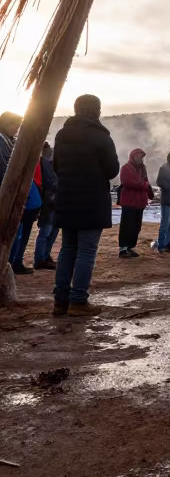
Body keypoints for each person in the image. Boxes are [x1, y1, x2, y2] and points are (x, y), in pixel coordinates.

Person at [52, 94, 119, 317]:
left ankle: (60, 301)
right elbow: (112, 170)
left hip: (67, 198)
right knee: (86, 251)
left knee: (67, 249)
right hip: (92, 201)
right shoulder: (100, 136)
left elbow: (56, 165)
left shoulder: (62, 134)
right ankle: (78, 301)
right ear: (96, 110)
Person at [118, 148, 153, 258]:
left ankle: (130, 246)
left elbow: (146, 181)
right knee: (127, 225)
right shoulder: (126, 168)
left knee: (136, 226)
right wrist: (144, 186)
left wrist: (150, 192)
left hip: (140, 202)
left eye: (142, 157)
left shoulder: (142, 169)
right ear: (133, 156)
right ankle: (123, 248)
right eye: (138, 156)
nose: (141, 159)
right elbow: (128, 183)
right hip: (129, 201)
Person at [10, 162, 43, 275]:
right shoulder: (26, 168)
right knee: (19, 237)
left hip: (28, 205)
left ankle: (14, 262)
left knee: (20, 236)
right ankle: (14, 262)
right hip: (27, 205)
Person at [34, 142, 60, 270]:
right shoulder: (43, 163)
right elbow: (47, 182)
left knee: (53, 230)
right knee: (46, 231)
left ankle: (45, 256)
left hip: (55, 201)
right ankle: (40, 259)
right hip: (49, 201)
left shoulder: (53, 163)